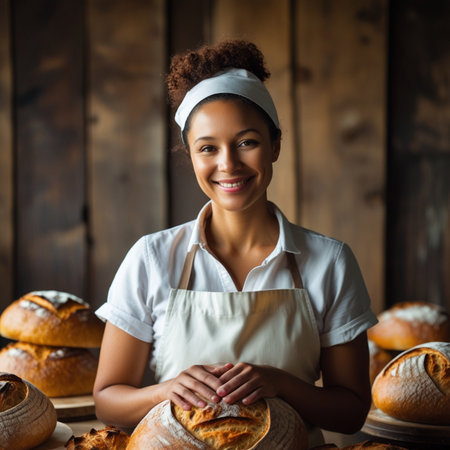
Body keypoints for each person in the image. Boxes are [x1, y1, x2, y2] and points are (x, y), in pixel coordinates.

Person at [93, 40, 378, 447]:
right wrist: (167, 390)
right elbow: (107, 401)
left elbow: (350, 413)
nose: (228, 164)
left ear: (275, 144)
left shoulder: (329, 261)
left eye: (247, 142)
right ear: (190, 156)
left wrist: (279, 383)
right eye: (208, 148)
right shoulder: (152, 258)